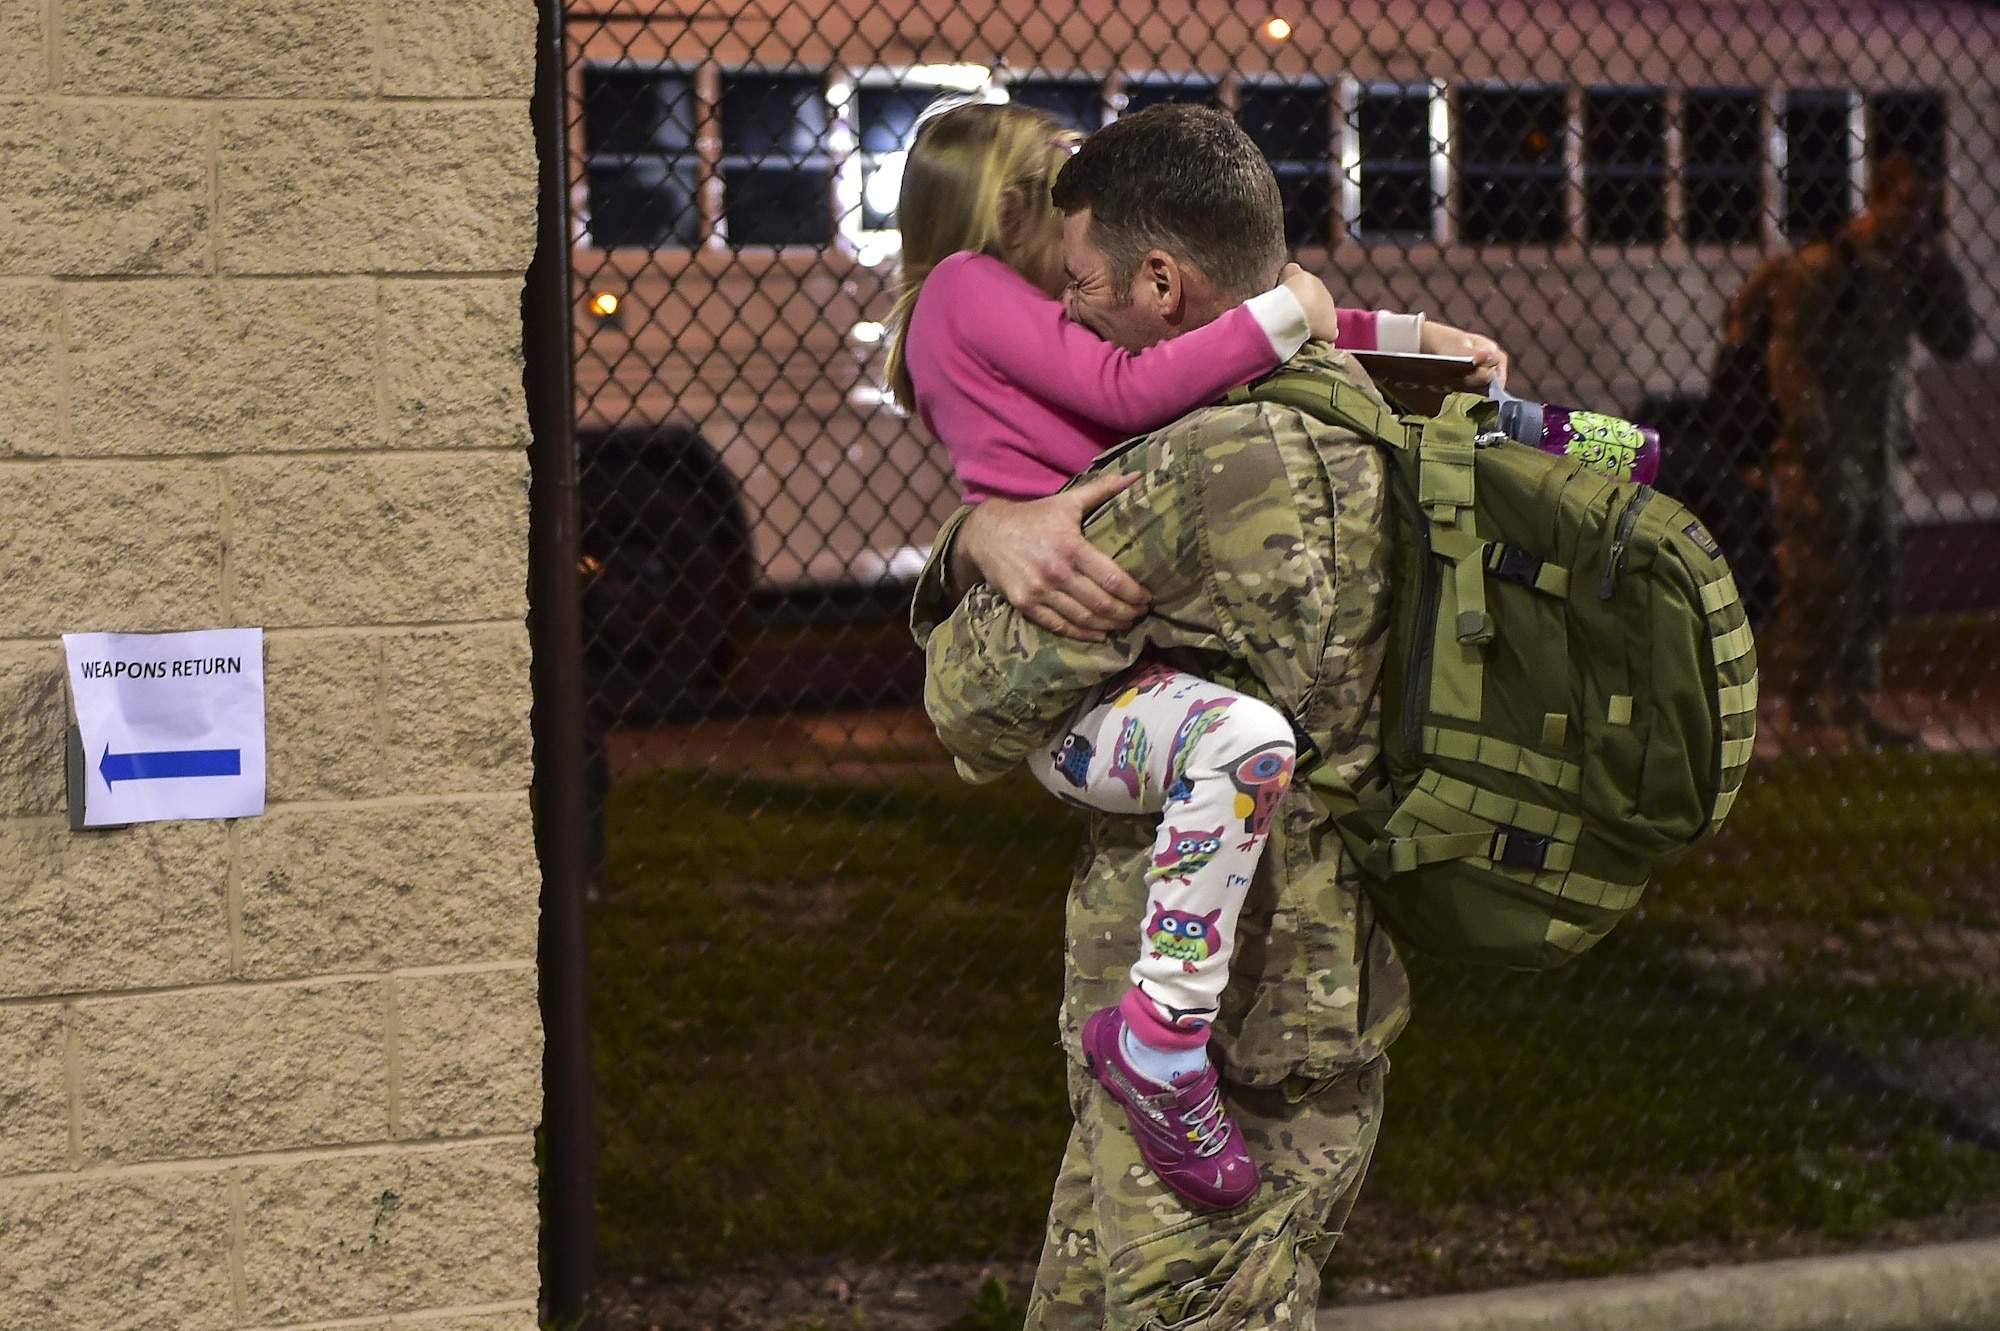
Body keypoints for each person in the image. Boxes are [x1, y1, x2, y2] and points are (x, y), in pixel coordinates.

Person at [884, 100, 1505, 1210]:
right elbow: (1192, 357)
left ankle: (1159, 1036)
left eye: (1096, 276)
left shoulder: (1215, 449)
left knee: (1242, 736)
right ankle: (1155, 1039)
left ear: (1160, 280)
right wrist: (983, 531)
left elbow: (1282, 329)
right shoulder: (978, 297)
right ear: (1011, 208)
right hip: (1177, 821)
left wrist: (1399, 336)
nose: (1079, 287)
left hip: (1262, 1007)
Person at [1716, 154, 1972, 744]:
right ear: (1877, 198)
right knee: (1820, 576)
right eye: (1907, 204)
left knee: (1875, 571)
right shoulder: (1826, 267)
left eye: (1927, 210)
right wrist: (1814, 441)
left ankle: (1850, 699)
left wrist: (1938, 272)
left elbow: (1955, 340)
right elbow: (1790, 359)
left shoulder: (1905, 271)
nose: (1917, 220)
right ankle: (1801, 704)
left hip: (1878, 449)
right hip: (1823, 450)